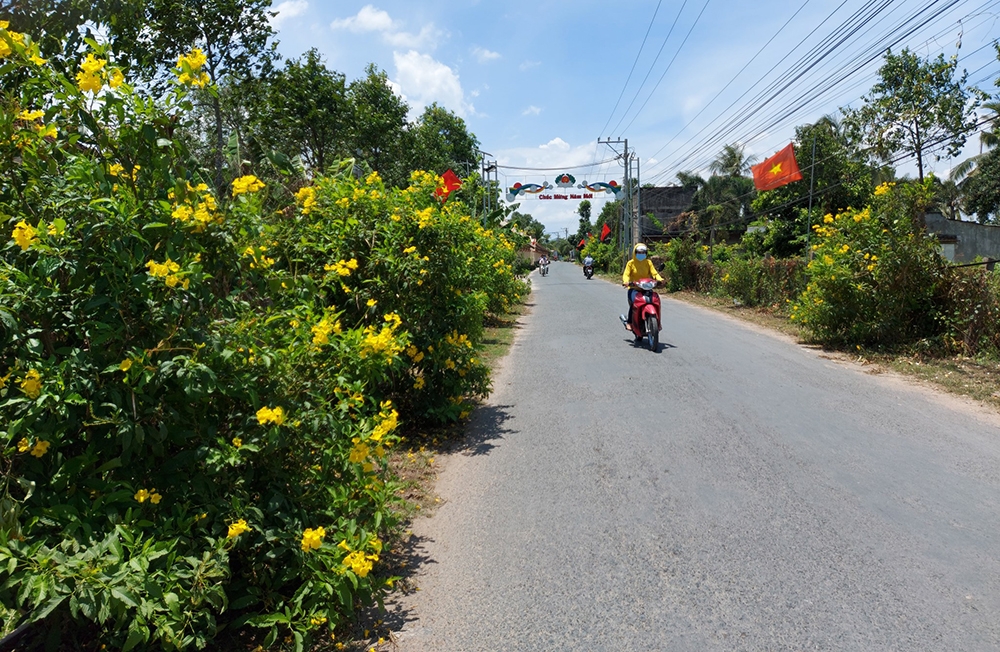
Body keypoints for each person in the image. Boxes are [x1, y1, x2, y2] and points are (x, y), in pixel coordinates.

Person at [620, 243, 663, 329]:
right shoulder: (630, 263)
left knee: (655, 301)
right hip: (634, 288)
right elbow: (626, 274)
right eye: (639, 252)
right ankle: (629, 322)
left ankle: (658, 323)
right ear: (635, 253)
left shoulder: (648, 262)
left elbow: (654, 273)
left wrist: (660, 279)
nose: (641, 254)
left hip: (647, 288)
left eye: (643, 252)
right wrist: (626, 281)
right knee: (634, 303)